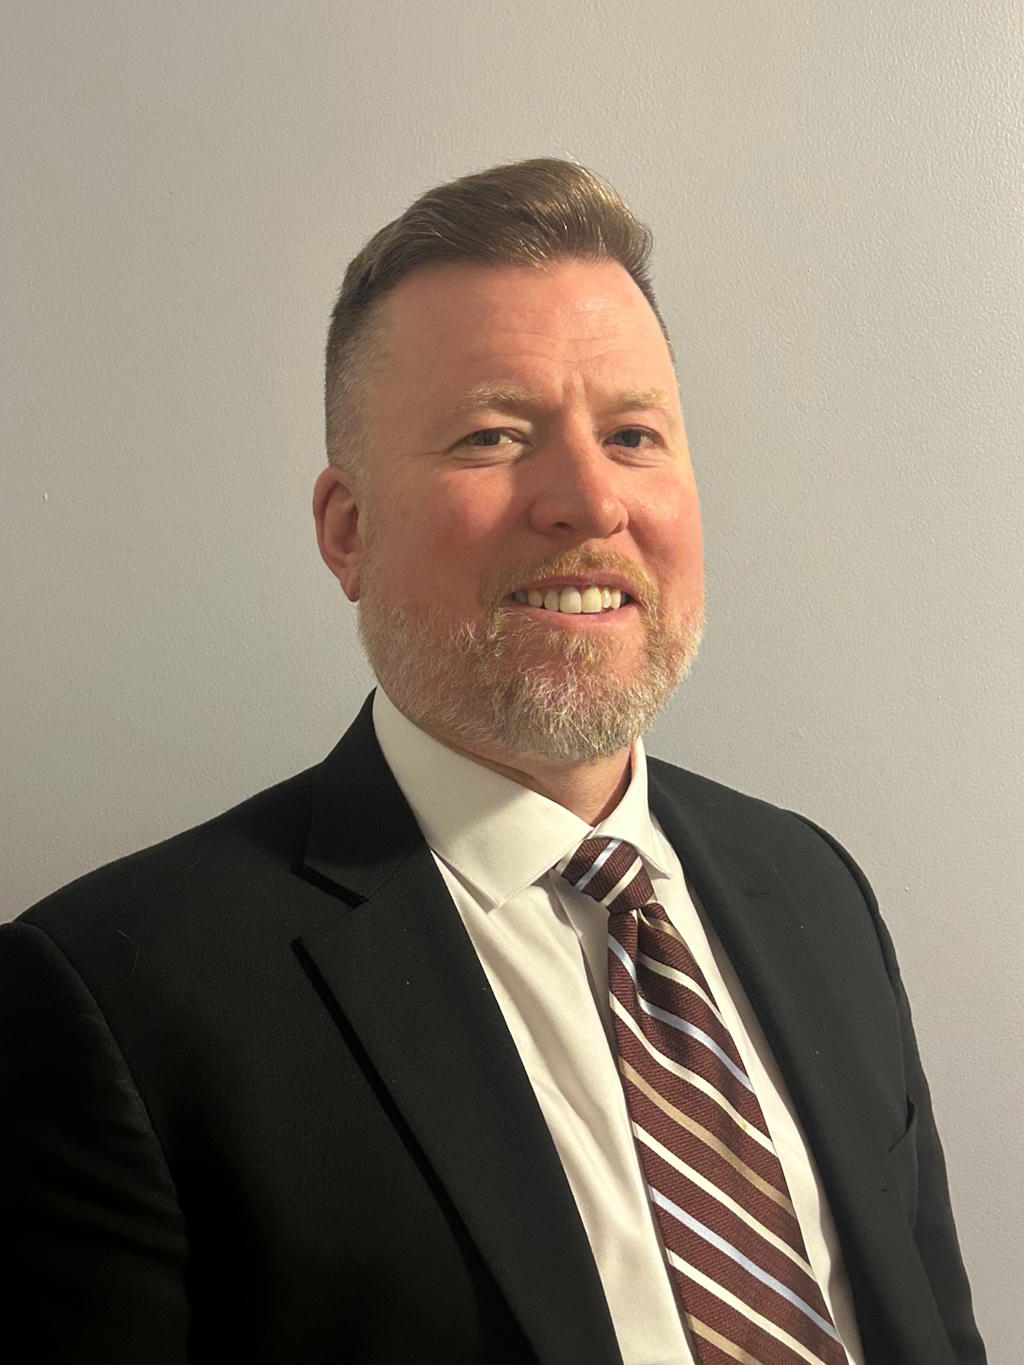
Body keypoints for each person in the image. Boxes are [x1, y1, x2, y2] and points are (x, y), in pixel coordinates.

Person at [0, 159, 985, 1365]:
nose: (587, 501)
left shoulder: (815, 891)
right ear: (347, 531)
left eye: (632, 435)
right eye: (493, 434)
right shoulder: (111, 997)